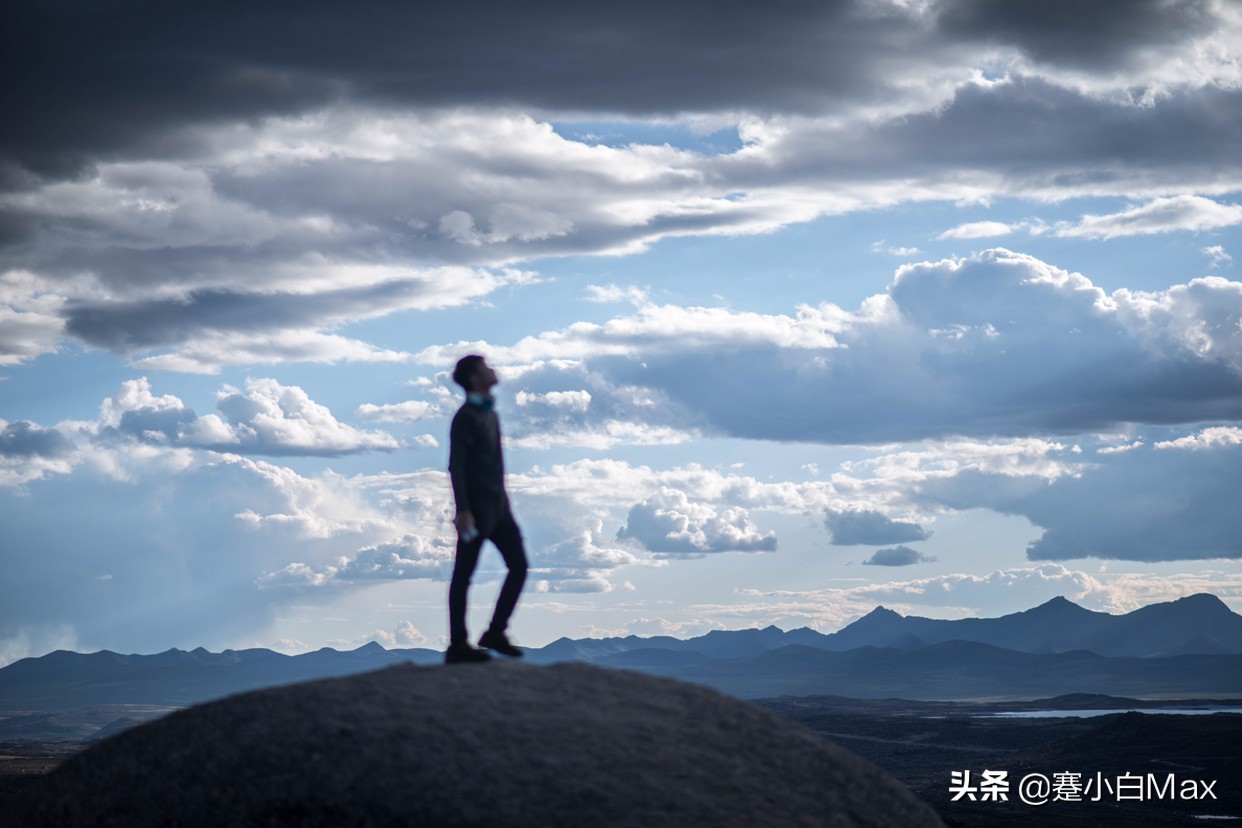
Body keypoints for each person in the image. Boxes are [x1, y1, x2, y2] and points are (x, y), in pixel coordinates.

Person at [444, 354, 528, 664]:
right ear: (475, 378)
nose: (494, 369)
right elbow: (457, 466)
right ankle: (458, 645)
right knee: (463, 575)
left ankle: (495, 632)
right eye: (487, 367)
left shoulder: (489, 413)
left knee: (519, 566)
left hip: (500, 508)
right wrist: (463, 509)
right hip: (477, 509)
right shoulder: (466, 416)